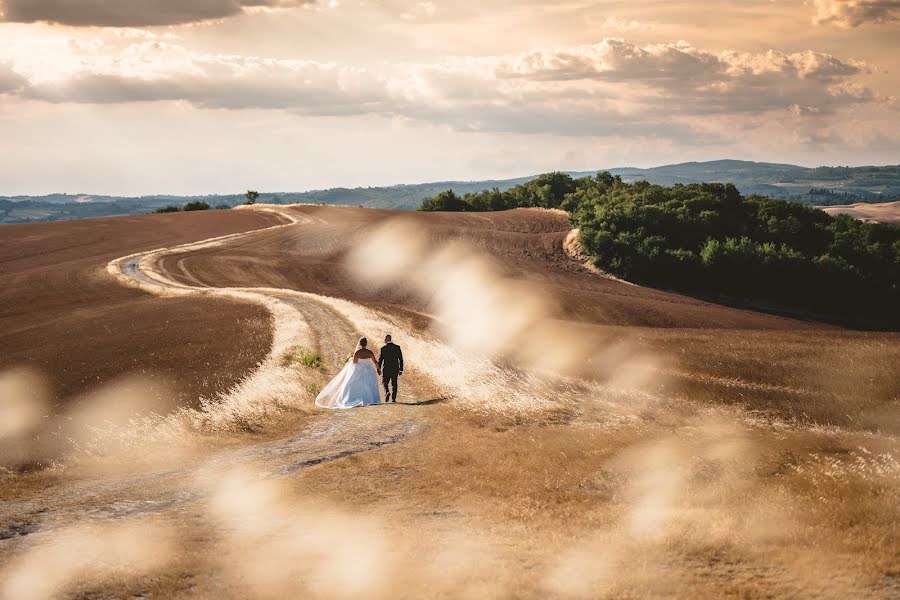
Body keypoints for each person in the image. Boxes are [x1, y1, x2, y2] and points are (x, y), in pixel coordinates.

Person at [314, 337, 381, 409]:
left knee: (354, 384)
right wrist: (378, 369)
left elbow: (354, 362)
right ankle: (370, 399)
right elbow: (375, 362)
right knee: (367, 385)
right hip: (368, 370)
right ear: (366, 344)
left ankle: (354, 399)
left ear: (360, 344)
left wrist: (351, 359)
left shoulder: (357, 353)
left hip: (358, 370)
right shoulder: (369, 352)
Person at [378, 334, 404, 403]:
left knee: (384, 382)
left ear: (387, 339)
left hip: (386, 368)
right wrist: (401, 369)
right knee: (394, 383)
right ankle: (393, 399)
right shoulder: (397, 347)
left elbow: (380, 360)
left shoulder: (383, 349)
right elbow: (401, 359)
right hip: (395, 368)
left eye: (384, 339)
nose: (384, 340)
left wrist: (379, 368)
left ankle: (387, 392)